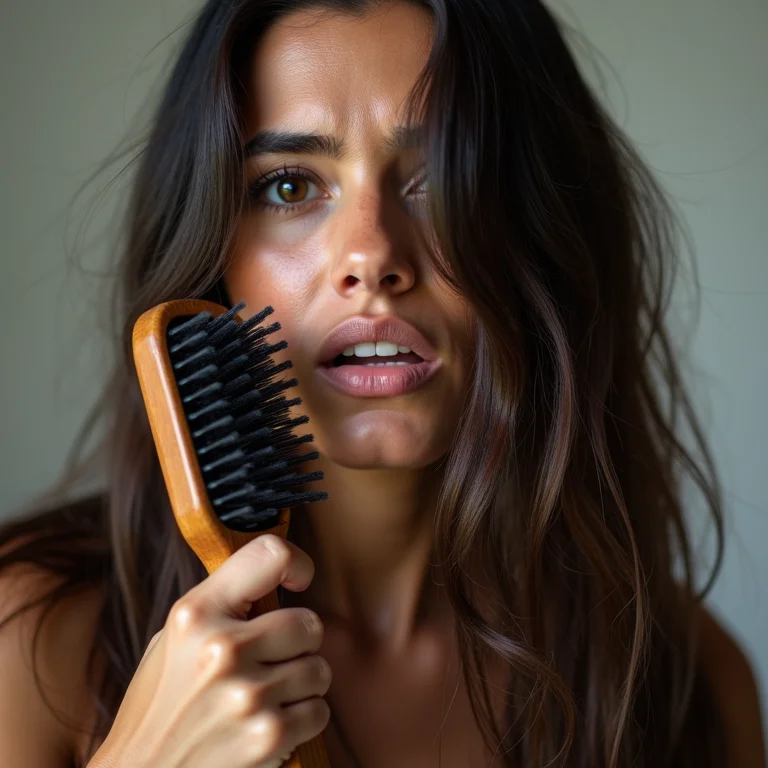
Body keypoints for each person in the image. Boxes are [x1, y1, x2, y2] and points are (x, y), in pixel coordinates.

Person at [0, 0, 764, 766]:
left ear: (545, 230)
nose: (370, 256)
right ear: (215, 252)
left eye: (438, 178)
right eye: (291, 187)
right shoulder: (32, 639)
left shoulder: (688, 683)